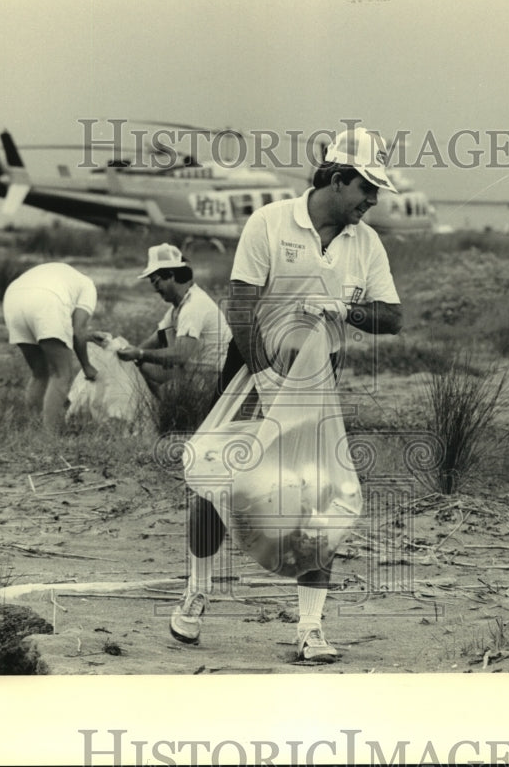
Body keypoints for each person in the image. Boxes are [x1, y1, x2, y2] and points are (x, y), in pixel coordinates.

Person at [170, 126, 404, 663]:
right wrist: (265, 375)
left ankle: (309, 629)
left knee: (317, 497)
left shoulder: (365, 244)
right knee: (214, 481)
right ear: (338, 178)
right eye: (366, 187)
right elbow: (241, 308)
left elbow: (393, 318)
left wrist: (346, 311)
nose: (373, 200)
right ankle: (199, 592)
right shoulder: (271, 222)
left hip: (317, 385)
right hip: (250, 375)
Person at [115, 244, 229, 395]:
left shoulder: (193, 306)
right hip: (197, 374)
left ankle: (168, 413)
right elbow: (154, 340)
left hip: (215, 379)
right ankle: (163, 410)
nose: (155, 289)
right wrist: (118, 348)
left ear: (171, 276)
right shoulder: (178, 307)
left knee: (167, 389)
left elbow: (180, 355)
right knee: (142, 367)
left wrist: (140, 354)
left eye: (156, 281)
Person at [2, 261, 98, 432]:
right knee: (61, 374)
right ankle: (49, 436)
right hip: (46, 301)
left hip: (13, 297)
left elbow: (68, 330)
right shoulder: (88, 285)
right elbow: (77, 331)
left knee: (39, 374)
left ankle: (35, 428)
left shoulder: (67, 277)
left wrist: (87, 337)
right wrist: (87, 366)